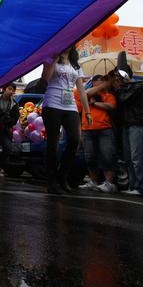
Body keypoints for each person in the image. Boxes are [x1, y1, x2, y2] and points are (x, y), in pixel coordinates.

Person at [41, 46, 91, 194]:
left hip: (70, 106)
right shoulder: (51, 59)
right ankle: (51, 181)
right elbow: (46, 78)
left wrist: (87, 111)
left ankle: (62, 176)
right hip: (52, 103)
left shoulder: (76, 64)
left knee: (75, 140)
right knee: (53, 142)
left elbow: (81, 90)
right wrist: (55, 57)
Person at [110, 66, 143, 197]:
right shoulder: (124, 89)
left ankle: (141, 187)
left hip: (137, 124)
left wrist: (120, 87)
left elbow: (123, 99)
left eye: (119, 76)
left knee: (136, 158)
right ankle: (133, 186)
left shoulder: (137, 87)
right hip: (126, 126)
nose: (118, 79)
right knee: (128, 158)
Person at [75, 75, 118, 193]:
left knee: (107, 156)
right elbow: (87, 93)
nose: (99, 86)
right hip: (87, 130)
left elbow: (111, 106)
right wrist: (104, 84)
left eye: (102, 84)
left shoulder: (108, 96)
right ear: (93, 84)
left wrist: (95, 104)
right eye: (97, 83)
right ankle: (93, 181)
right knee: (90, 157)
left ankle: (109, 183)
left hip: (105, 129)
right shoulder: (85, 95)